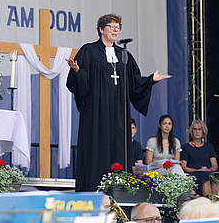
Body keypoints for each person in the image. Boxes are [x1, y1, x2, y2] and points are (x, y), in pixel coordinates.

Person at [66, 14, 171, 191]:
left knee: (119, 146)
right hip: (96, 112)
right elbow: (79, 85)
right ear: (101, 29)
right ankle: (93, 190)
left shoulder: (123, 55)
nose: (115, 30)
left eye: (118, 27)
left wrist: (151, 80)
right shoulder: (89, 51)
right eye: (111, 26)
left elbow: (134, 83)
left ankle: (119, 190)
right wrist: (78, 71)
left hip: (119, 113)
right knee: (97, 148)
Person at [181, 119, 218, 196]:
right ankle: (207, 203)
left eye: (200, 129)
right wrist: (197, 170)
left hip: (207, 172)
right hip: (194, 174)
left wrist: (209, 170)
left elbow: (215, 165)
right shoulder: (185, 147)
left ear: (203, 131)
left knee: (214, 176)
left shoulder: (209, 146)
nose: (197, 132)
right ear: (192, 131)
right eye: (195, 129)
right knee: (205, 176)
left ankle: (216, 203)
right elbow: (183, 166)